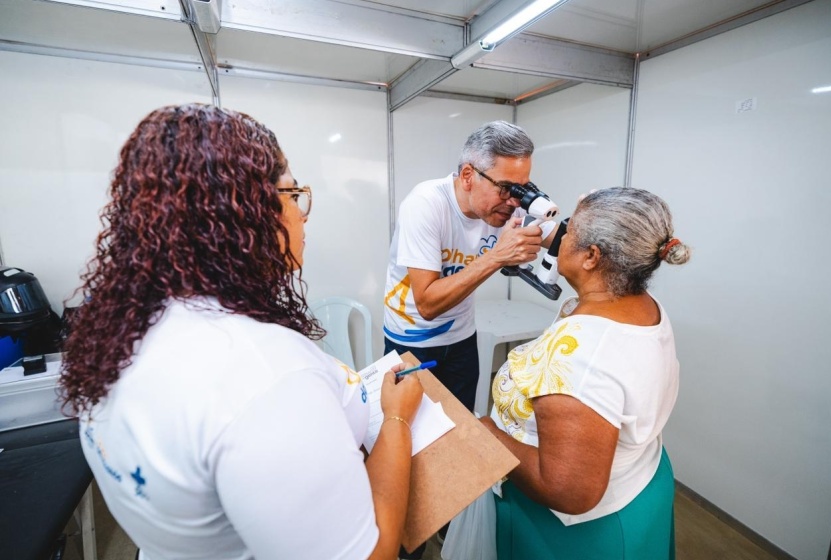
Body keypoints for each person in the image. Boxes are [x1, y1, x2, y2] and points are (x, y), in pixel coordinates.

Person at [59, 104, 424, 560]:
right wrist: (397, 419)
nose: (302, 214)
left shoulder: (120, 328)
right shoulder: (265, 374)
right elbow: (373, 554)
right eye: (292, 193)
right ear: (245, 210)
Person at [479, 187, 691, 559]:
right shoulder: (641, 304)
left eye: (569, 229)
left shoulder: (581, 357)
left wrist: (489, 433)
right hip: (640, 486)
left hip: (572, 531)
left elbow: (568, 491)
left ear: (592, 256)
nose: (559, 235)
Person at [383, 120, 557, 414]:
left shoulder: (509, 203)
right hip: (412, 339)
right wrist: (496, 257)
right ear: (468, 176)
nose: (514, 201)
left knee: (462, 424)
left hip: (462, 338)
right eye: (506, 188)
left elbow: (564, 241)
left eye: (523, 188)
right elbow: (427, 304)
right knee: (411, 429)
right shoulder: (426, 204)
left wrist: (589, 222)